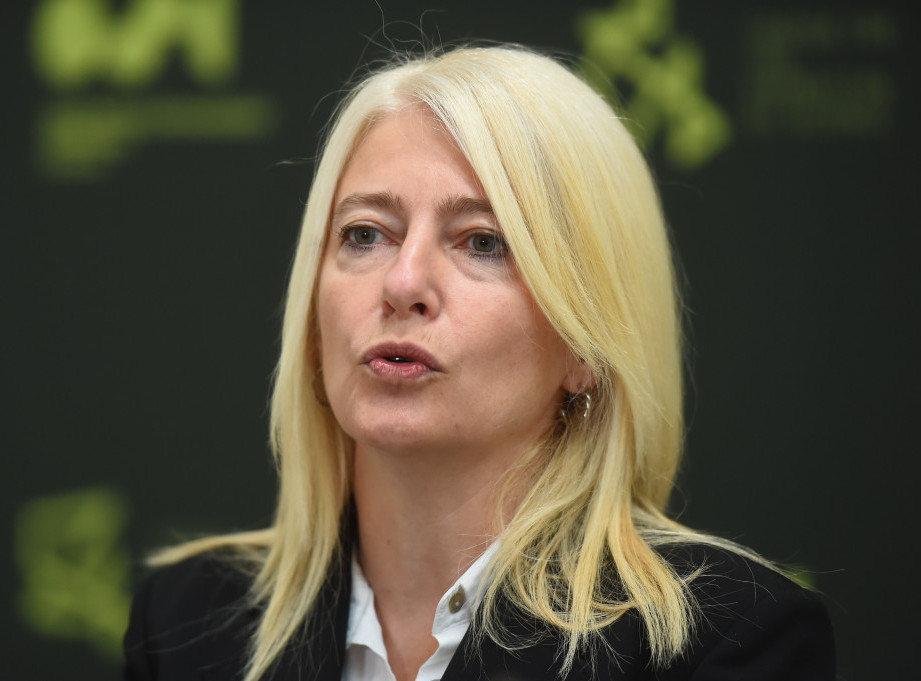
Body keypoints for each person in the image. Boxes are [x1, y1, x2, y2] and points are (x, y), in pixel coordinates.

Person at [122, 45, 835, 681]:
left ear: (586, 345)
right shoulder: (186, 625)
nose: (402, 283)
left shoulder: (725, 643)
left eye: (483, 242)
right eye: (365, 234)